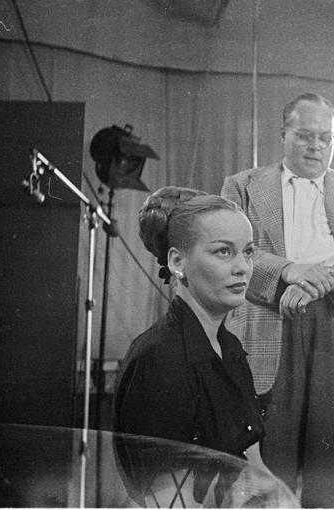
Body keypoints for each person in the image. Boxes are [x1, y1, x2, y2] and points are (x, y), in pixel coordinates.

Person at [222, 92, 334, 507]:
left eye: (325, 138)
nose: (316, 146)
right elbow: (231, 250)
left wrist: (321, 281)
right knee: (268, 469)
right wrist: (290, 271)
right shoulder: (242, 187)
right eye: (304, 135)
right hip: (268, 322)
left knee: (327, 467)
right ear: (283, 134)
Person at [113, 187, 271, 503]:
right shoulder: (159, 359)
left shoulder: (230, 348)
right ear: (177, 261)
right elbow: (168, 501)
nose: (242, 267)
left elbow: (256, 472)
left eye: (248, 252)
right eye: (223, 252)